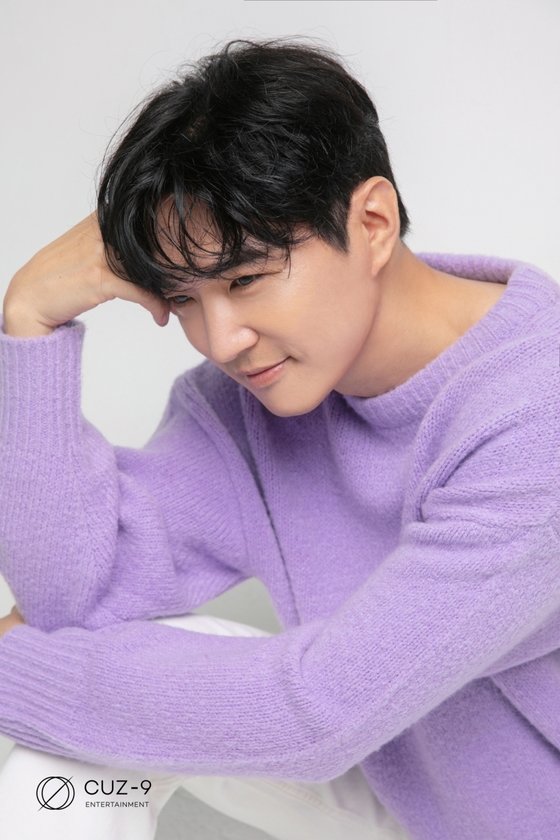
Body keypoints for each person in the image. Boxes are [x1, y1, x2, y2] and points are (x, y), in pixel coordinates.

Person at [0, 36, 559, 840]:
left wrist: (9, 671)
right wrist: (31, 324)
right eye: (183, 299)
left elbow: (316, 715)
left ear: (372, 222)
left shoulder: (537, 413)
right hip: (401, 781)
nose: (221, 340)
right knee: (63, 758)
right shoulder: (249, 402)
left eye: (246, 279)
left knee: (84, 694)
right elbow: (69, 602)